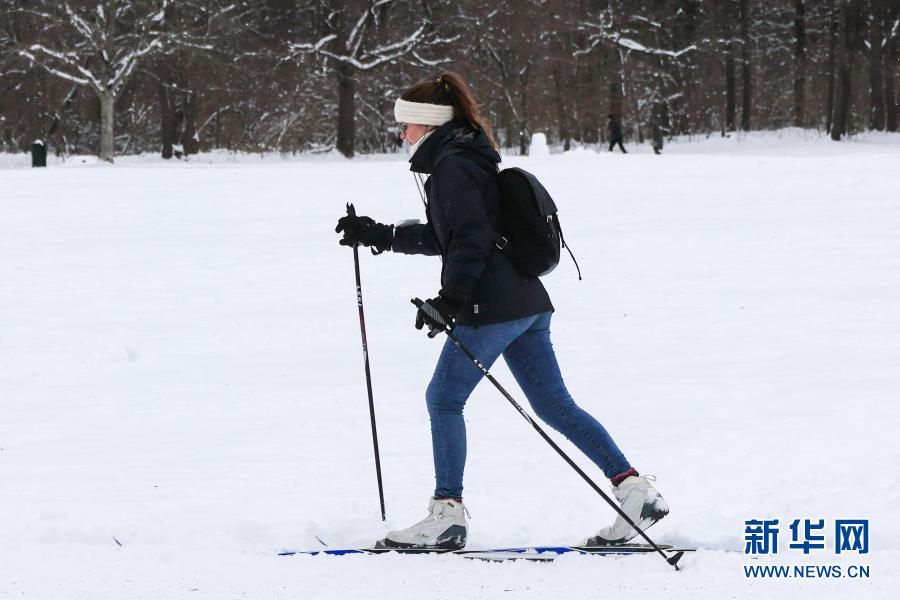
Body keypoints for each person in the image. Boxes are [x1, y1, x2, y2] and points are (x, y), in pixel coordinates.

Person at [335, 72, 667, 550]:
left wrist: (450, 301)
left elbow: (470, 240)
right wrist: (379, 234)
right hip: (525, 302)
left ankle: (446, 515)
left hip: (490, 305)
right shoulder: (464, 158)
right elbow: (443, 236)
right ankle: (634, 490)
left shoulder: (451, 166)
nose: (401, 134)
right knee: (555, 406)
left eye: (405, 124)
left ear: (427, 125)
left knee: (444, 399)